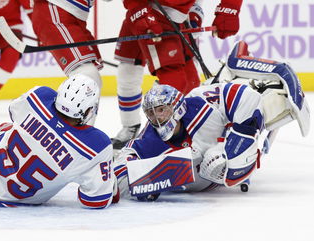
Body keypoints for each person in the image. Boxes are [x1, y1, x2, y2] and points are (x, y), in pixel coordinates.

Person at [113, 41, 310, 201]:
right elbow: (123, 164)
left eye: (162, 110)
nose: (157, 118)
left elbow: (246, 96)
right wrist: (142, 178)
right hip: (203, 179)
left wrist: (229, 149)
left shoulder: (199, 105)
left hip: (224, 135)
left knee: (268, 105)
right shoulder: (151, 137)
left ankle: (245, 65)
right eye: (151, 113)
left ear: (177, 107)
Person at [0, 74, 119, 208]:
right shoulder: (97, 145)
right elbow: (96, 200)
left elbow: (13, 111)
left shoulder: (39, 96)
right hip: (20, 199)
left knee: (8, 128)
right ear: (88, 109)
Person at [110, 0, 244, 150]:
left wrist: (223, 10)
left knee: (191, 81)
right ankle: (145, 136)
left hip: (177, 18)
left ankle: (187, 129)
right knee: (172, 80)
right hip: (151, 12)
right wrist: (140, 13)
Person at [30, 0, 103, 100]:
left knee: (91, 80)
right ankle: (59, 114)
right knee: (87, 76)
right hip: (56, 9)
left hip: (72, 14)